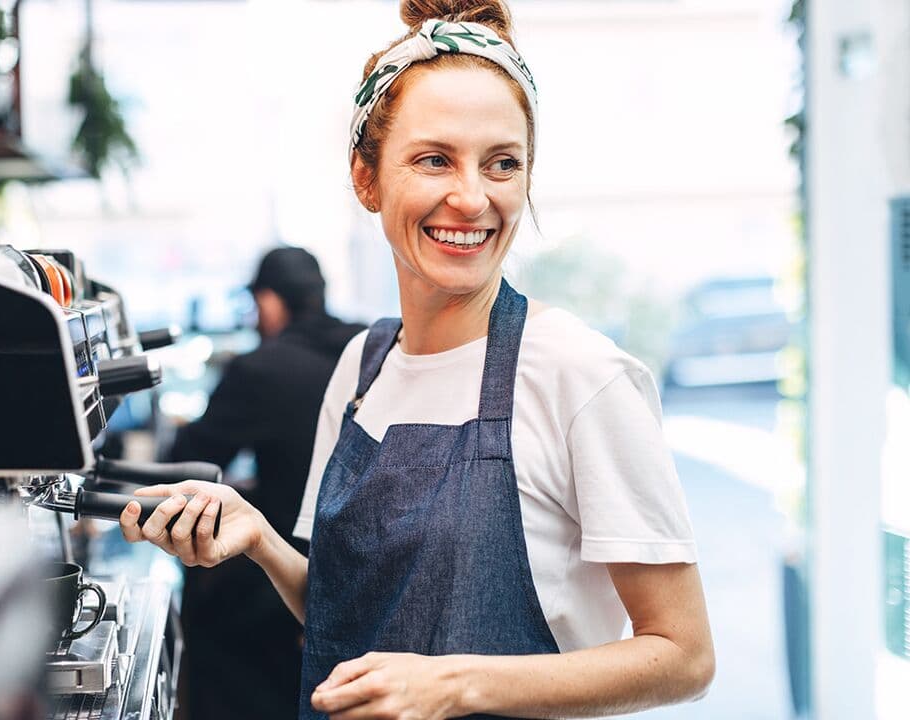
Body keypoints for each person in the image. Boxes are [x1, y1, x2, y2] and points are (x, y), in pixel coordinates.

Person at [121, 1, 716, 718]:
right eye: (435, 159)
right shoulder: (361, 368)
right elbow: (353, 624)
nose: (472, 197)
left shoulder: (579, 375)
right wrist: (261, 541)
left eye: (503, 163)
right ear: (367, 179)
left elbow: (684, 655)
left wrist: (457, 683)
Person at [165, 246, 365, 720]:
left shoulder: (262, 367)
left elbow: (186, 463)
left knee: (205, 603)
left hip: (281, 582)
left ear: (271, 301)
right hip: (364, 570)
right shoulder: (370, 349)